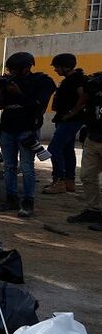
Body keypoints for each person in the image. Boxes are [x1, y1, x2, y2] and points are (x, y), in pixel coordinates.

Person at [0, 52, 57, 218]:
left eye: (15, 69)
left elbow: (38, 107)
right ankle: (11, 198)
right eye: (10, 70)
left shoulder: (42, 81)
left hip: (27, 129)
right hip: (7, 129)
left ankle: (28, 202)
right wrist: (2, 87)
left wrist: (18, 92)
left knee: (27, 167)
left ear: (27, 67)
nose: (12, 73)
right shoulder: (10, 82)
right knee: (9, 167)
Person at [42, 53, 89, 195]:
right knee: (67, 150)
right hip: (66, 119)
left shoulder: (75, 79)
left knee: (53, 149)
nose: (55, 70)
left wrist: (72, 113)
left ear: (66, 67)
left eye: (57, 67)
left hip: (70, 121)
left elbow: (83, 96)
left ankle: (59, 181)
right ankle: (69, 181)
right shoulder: (73, 78)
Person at [68, 72, 102, 229]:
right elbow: (85, 102)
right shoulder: (96, 83)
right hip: (93, 136)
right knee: (87, 176)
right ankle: (93, 210)